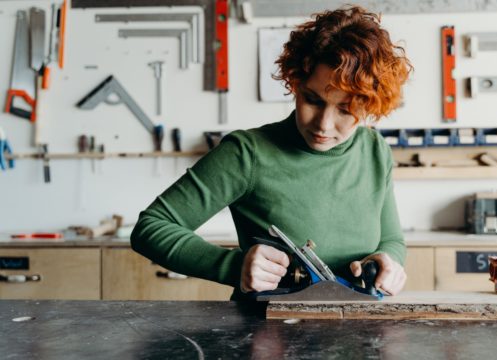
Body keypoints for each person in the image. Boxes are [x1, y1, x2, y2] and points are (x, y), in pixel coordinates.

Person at [131, 6, 413, 299]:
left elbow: (391, 240)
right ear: (296, 83)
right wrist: (232, 265)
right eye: (312, 100)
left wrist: (388, 262)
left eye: (346, 109)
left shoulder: (375, 149)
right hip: (269, 335)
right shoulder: (246, 153)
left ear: (371, 105)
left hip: (357, 332)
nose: (323, 124)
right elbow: (151, 228)